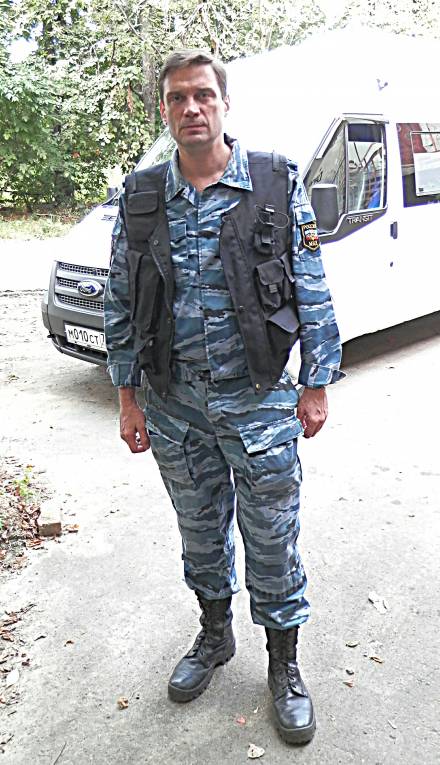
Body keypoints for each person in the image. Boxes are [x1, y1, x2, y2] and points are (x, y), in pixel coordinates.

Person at [104, 49, 344, 746]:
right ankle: (215, 635)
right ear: (165, 110)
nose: (192, 108)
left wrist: (316, 381)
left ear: (224, 103)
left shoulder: (273, 180)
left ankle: (284, 664)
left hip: (260, 401)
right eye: (178, 98)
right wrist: (128, 399)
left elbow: (310, 282)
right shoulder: (143, 196)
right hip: (175, 404)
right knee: (201, 530)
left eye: (203, 95)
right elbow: (121, 300)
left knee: (272, 538)